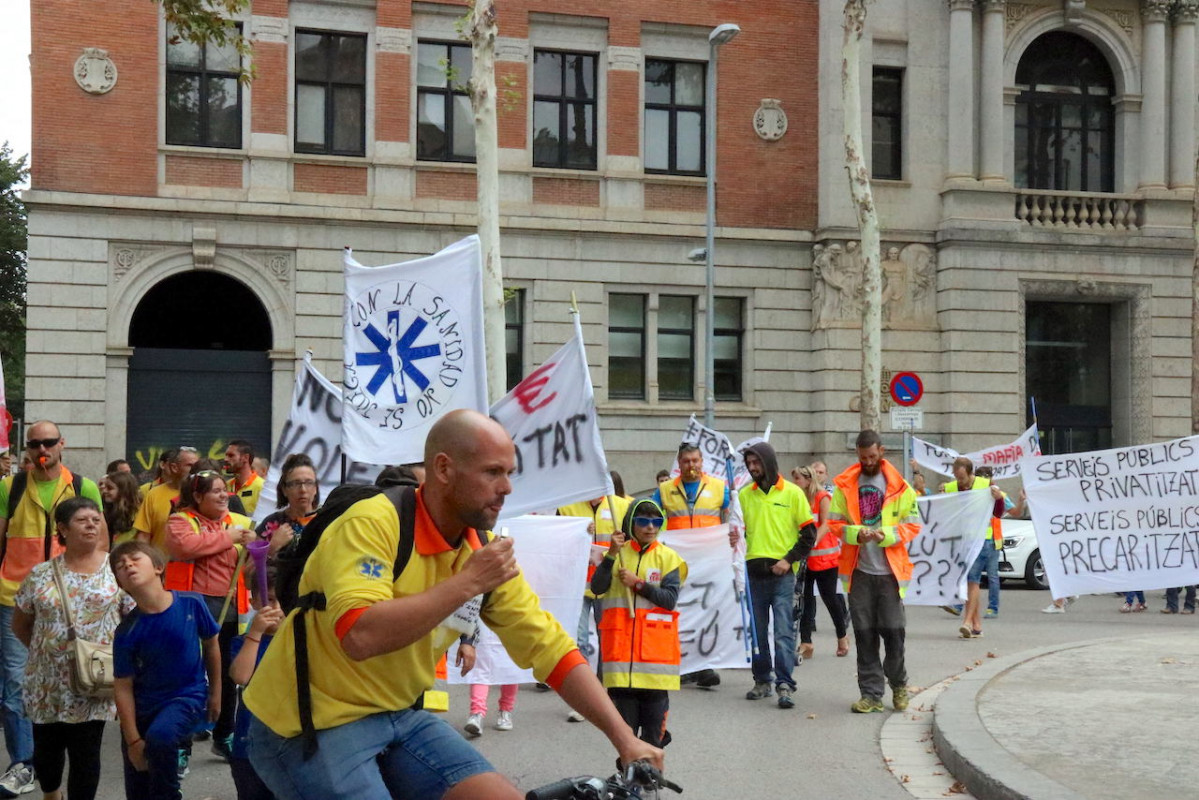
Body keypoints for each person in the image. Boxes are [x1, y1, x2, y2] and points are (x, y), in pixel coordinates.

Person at [243, 409, 663, 800]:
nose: (507, 487)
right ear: (444, 469)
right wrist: (466, 583)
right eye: (493, 472)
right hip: (307, 725)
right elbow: (360, 634)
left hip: (396, 714)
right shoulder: (373, 522)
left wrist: (624, 738)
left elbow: (549, 647)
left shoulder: (479, 549)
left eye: (509, 473)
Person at [0, 420, 104, 796]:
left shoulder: (82, 486)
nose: (41, 449)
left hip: (76, 601)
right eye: (33, 444)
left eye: (48, 442)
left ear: (62, 444)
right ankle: (23, 763)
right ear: (26, 448)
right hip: (15, 597)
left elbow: (100, 541)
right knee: (16, 685)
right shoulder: (9, 487)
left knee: (77, 679)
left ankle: (56, 763)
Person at [12, 497, 132, 800]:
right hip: (46, 681)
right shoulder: (40, 574)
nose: (91, 524)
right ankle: (51, 794)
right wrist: (48, 653)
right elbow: (21, 624)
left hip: (96, 678)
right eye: (82, 520)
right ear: (62, 529)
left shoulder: (116, 569)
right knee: (47, 753)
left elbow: (133, 620)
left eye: (95, 519)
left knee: (86, 754)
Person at [110, 541, 220, 800]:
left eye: (135, 559)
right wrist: (133, 741)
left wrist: (216, 694)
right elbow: (123, 686)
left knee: (161, 738)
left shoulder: (192, 603)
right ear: (120, 584)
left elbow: (212, 645)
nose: (127, 565)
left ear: (159, 567)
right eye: (120, 566)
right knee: (139, 789)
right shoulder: (126, 631)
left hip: (187, 697)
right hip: (144, 709)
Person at [166, 469, 257, 762]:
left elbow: (257, 563)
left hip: (231, 609)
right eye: (215, 491)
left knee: (229, 677)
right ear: (197, 496)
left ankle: (224, 734)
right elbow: (185, 547)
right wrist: (226, 537)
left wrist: (260, 545)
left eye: (224, 490)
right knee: (190, 674)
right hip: (192, 608)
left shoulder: (241, 523)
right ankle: (182, 742)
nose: (222, 495)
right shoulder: (180, 521)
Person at [829, 430, 920, 714]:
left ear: (881, 451)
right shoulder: (845, 486)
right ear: (857, 454)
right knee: (864, 636)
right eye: (862, 457)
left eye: (872, 456)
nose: (868, 461)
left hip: (890, 574)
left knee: (894, 635)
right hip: (859, 573)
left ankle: (899, 685)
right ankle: (871, 694)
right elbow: (834, 525)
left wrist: (887, 535)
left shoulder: (901, 487)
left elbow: (913, 525)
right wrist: (858, 533)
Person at [590, 498, 686, 747]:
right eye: (643, 521)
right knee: (625, 738)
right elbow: (597, 587)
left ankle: (650, 778)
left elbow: (669, 600)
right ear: (631, 523)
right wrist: (610, 555)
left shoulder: (669, 558)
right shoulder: (617, 554)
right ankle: (626, 782)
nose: (650, 527)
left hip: (655, 665)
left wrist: (638, 584)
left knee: (654, 739)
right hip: (620, 664)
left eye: (656, 522)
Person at [733, 442, 816, 710]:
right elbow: (740, 533)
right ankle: (761, 680)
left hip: (782, 575)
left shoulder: (793, 493)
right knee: (757, 632)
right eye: (749, 464)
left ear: (768, 462)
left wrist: (788, 560)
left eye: (756, 463)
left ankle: (784, 684)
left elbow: (808, 536)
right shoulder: (744, 496)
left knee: (782, 632)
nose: (752, 468)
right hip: (753, 574)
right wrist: (734, 536)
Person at [653, 443, 729, 689]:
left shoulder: (718, 487)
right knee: (679, 611)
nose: (691, 465)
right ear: (679, 462)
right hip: (677, 562)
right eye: (686, 461)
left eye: (695, 460)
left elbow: (731, 517)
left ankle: (703, 666)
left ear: (702, 461)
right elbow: (651, 516)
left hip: (709, 562)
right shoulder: (665, 490)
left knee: (706, 612)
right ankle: (680, 663)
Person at [557, 491, 632, 707]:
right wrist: (578, 534)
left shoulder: (622, 506)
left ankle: (603, 692)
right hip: (577, 585)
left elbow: (631, 539)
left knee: (606, 639)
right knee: (578, 641)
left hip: (608, 584)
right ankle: (583, 697)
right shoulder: (568, 505)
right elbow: (558, 542)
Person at [228, 598, 285, 800]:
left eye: (279, 601)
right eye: (268, 601)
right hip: (248, 744)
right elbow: (241, 676)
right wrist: (256, 633)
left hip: (288, 745)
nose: (274, 609)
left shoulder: (297, 639)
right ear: (254, 603)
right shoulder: (243, 642)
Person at [793, 465, 849, 661]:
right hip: (805, 559)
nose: (795, 483)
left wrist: (813, 540)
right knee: (805, 599)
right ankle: (806, 641)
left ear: (808, 480)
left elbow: (827, 523)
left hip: (825, 558)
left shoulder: (822, 497)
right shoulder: (797, 498)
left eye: (798, 479)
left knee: (830, 599)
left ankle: (842, 636)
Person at [941, 457, 994, 638]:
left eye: (962, 478)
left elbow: (1000, 510)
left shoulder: (985, 485)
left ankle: (967, 622)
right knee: (968, 580)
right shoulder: (951, 487)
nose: (959, 482)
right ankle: (977, 624)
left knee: (972, 579)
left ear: (970, 473)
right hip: (961, 541)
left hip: (981, 540)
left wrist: (996, 497)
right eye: (956, 477)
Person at [132, 448, 199, 550]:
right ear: (174, 467)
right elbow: (144, 536)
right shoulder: (153, 494)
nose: (196, 470)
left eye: (197, 466)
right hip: (161, 564)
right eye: (190, 465)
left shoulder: (202, 496)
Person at [255, 454, 319, 558]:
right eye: (295, 483)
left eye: (308, 483)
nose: (303, 490)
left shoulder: (327, 520)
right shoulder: (271, 523)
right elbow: (249, 571)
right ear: (284, 489)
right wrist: (272, 547)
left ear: (316, 488)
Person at [973, 466, 1011, 618]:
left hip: (992, 540)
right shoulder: (974, 493)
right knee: (973, 576)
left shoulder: (998, 494)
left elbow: (1007, 511)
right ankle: (961, 605)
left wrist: (1000, 499)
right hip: (977, 539)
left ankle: (993, 607)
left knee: (990, 576)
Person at [100, 470, 143, 547]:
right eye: (104, 487)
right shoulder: (105, 509)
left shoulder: (138, 514)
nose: (104, 491)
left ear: (123, 490)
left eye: (109, 488)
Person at [224, 440, 265, 516]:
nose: (225, 459)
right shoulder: (226, 485)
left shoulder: (262, 487)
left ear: (245, 458)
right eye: (226, 455)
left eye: (231, 455)